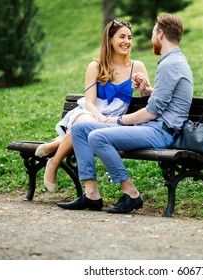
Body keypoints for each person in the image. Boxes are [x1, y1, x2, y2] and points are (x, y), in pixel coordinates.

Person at [57, 14, 193, 213]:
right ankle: (91, 195)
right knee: (79, 129)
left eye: (153, 32)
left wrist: (118, 120)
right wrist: (146, 91)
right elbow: (164, 99)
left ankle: (131, 194)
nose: (152, 36)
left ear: (161, 34)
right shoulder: (172, 61)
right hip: (154, 127)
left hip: (163, 131)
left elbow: (152, 113)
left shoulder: (170, 64)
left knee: (97, 137)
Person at [34, 19, 150, 192]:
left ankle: (57, 144)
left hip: (114, 121)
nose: (127, 41)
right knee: (83, 125)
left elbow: (146, 94)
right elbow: (89, 102)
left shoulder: (137, 66)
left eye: (130, 37)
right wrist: (101, 118)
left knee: (86, 130)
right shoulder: (95, 66)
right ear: (110, 39)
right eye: (122, 37)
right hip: (89, 112)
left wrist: (145, 86)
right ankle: (54, 162)